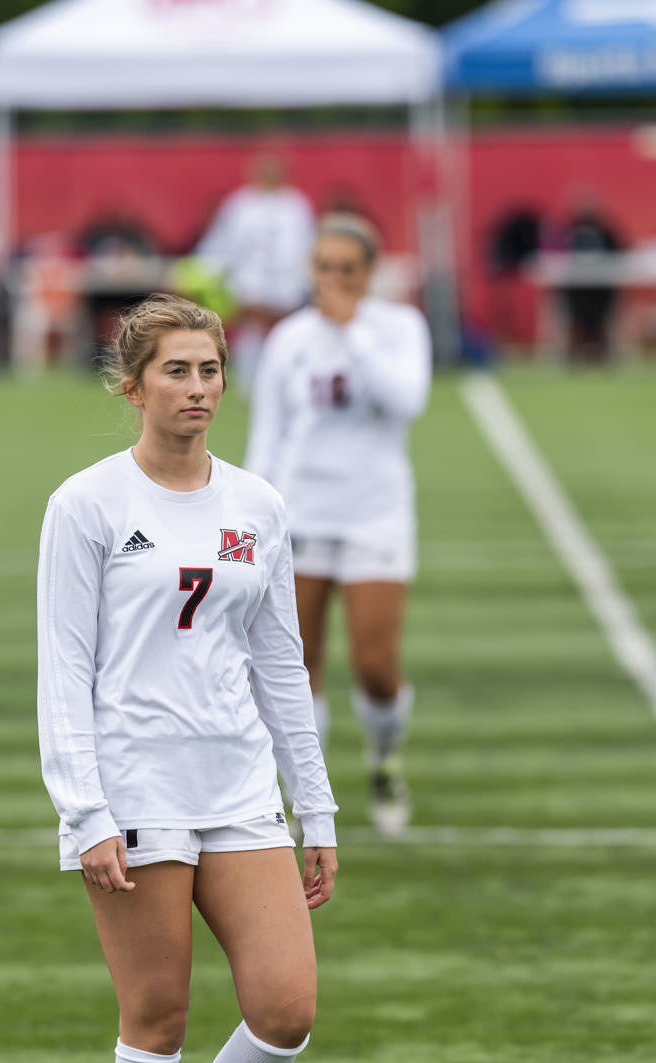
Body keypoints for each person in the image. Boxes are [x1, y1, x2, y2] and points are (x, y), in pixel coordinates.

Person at [36, 295, 337, 1063]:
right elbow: (62, 670)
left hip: (239, 789)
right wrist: (85, 811)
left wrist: (317, 807)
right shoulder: (84, 503)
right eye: (175, 370)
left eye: (209, 370)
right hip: (136, 791)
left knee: (285, 1007)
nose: (197, 389)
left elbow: (280, 663)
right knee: (155, 1016)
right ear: (131, 384)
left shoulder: (257, 503)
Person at [244, 215, 432, 836]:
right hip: (301, 515)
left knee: (377, 666)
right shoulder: (289, 339)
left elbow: (406, 400)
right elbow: (267, 432)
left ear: (368, 273)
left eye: (346, 269)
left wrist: (354, 334)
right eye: (323, 268)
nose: (333, 281)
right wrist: (252, 511)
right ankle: (307, 798)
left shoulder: (398, 328)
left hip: (375, 513)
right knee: (300, 667)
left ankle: (384, 756)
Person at [195, 153, 314, 395]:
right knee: (252, 332)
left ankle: (287, 382)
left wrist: (305, 281)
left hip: (287, 285)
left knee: (287, 332)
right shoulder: (240, 204)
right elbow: (222, 243)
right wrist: (208, 271)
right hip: (250, 282)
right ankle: (249, 386)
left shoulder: (297, 206)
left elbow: (306, 244)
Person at [558, 192, 625, 364]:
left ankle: (602, 348)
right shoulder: (567, 232)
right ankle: (576, 349)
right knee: (573, 310)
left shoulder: (607, 232)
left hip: (601, 293)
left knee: (602, 311)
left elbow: (620, 254)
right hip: (576, 294)